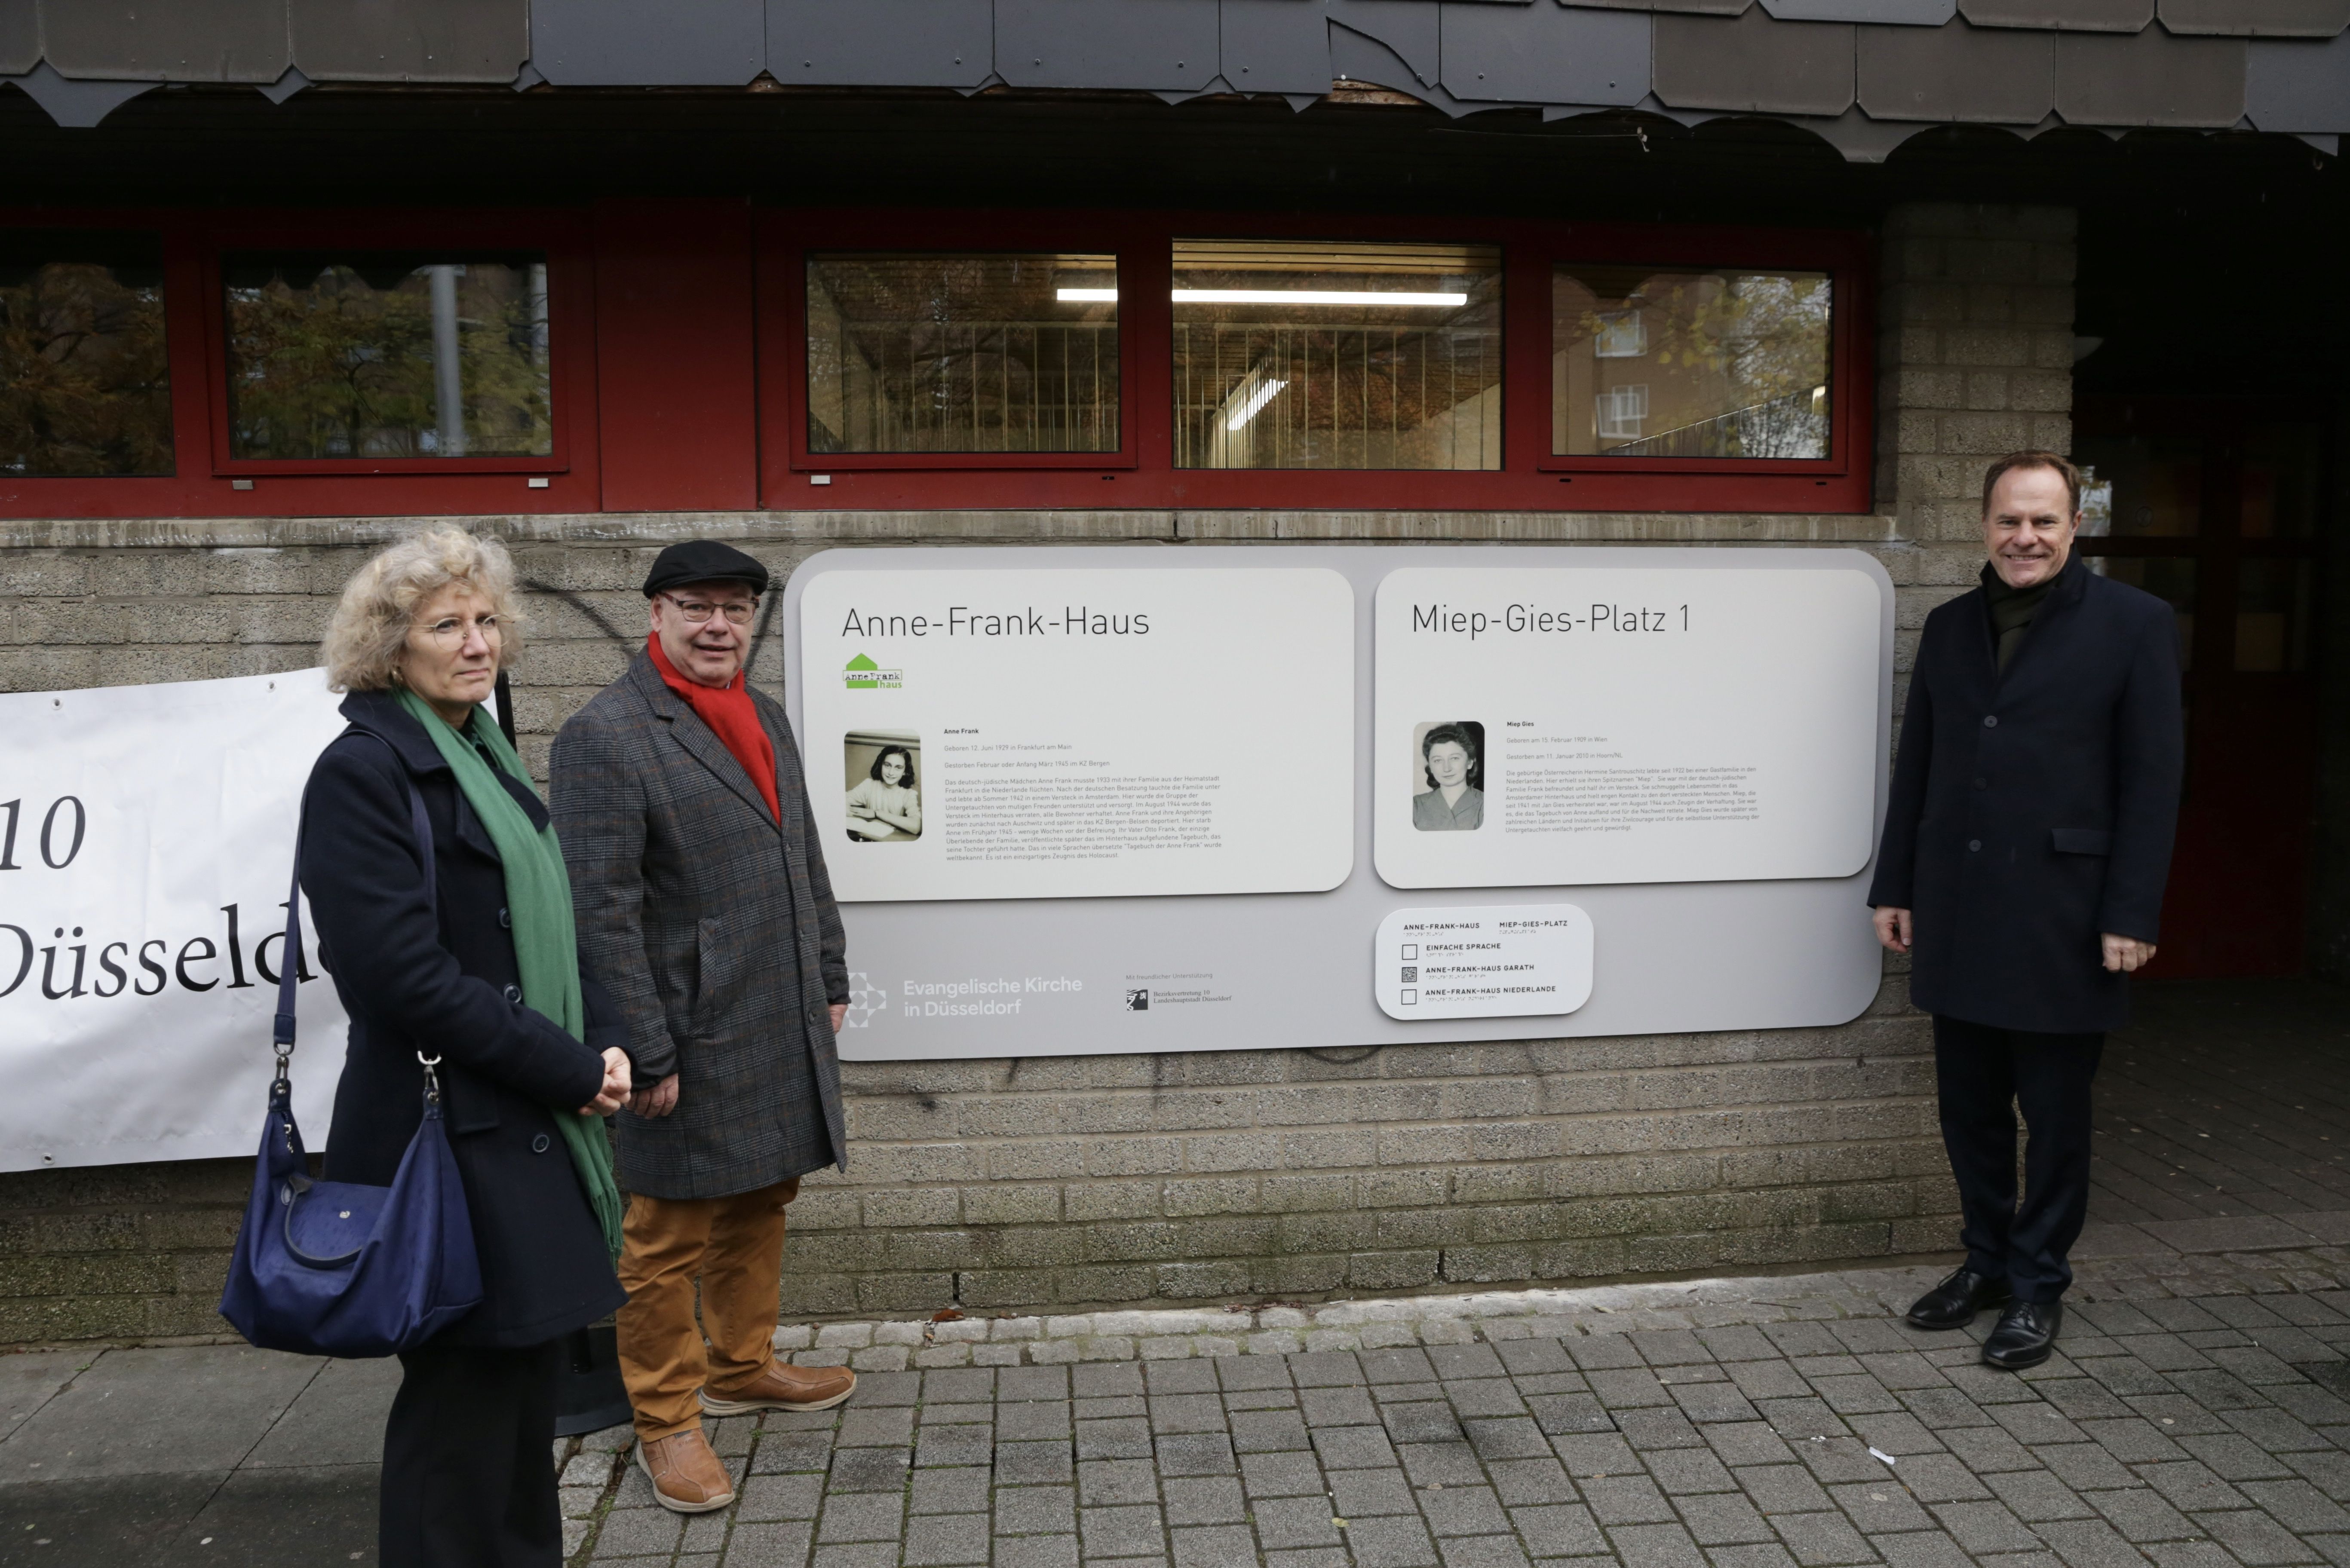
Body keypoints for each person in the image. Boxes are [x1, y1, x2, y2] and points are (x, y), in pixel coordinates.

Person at [305, 527, 632, 1567]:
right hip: (445, 1140)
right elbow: (400, 979)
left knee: (520, 1406)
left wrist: (612, 1042)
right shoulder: (364, 772)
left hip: (515, 1131)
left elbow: (553, 921)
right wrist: (570, 1068)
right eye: (445, 624)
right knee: (462, 1418)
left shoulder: (483, 753)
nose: (476, 641)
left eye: (487, 620)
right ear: (386, 648)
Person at [549, 539, 854, 1515]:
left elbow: (800, 851)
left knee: (763, 1198)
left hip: (774, 1010)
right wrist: (640, 1047)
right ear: (657, 615)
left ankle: (742, 1364)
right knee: (664, 1237)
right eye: (696, 605)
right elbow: (598, 910)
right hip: (681, 1032)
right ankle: (667, 1420)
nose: (718, 624)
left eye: (734, 607)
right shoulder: (605, 734)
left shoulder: (762, 714)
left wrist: (830, 974)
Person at [1869, 450, 2183, 1371]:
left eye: (2044, 521)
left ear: (2075, 526)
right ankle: (1987, 1266)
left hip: (2066, 916)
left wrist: (2133, 911)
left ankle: (2040, 1284)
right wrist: (1896, 885)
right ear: (1984, 524)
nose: (2026, 537)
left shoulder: (2136, 624)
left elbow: (2155, 781)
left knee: (2053, 1118)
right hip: (1959, 910)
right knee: (1968, 1109)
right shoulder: (1952, 626)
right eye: (2010, 520)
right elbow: (1918, 764)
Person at [1413, 723, 1483, 830]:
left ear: (1470, 762)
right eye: (1438, 760)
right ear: (1431, 767)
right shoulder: (1416, 806)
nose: (1447, 768)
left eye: (1454, 758)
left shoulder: (1485, 803)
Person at [847, 745, 921, 841]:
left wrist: (877, 814)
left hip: (893, 841)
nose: (891, 772)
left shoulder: (908, 794)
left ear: (905, 772)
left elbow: (916, 827)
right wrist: (873, 819)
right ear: (881, 765)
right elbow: (841, 803)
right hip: (870, 838)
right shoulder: (869, 785)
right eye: (887, 765)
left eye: (898, 768)